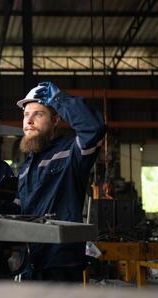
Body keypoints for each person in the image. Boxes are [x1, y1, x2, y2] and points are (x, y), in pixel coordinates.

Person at [16, 81, 106, 282]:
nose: (29, 121)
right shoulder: (25, 168)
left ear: (55, 120)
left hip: (61, 263)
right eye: (25, 115)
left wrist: (60, 100)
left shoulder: (71, 152)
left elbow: (94, 128)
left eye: (38, 114)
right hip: (30, 261)